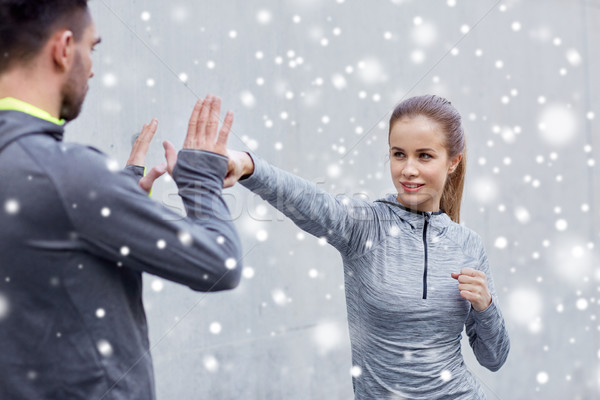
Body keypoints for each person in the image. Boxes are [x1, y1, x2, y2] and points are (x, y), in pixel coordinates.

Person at [0, 1, 242, 399]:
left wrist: (116, 200)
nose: (92, 67)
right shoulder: (69, 175)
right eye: (91, 48)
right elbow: (219, 263)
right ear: (63, 49)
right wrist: (200, 179)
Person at [225, 95, 510, 399]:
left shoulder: (468, 245)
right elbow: (312, 201)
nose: (408, 169)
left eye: (424, 156)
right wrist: (248, 166)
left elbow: (493, 359)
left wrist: (486, 306)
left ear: (453, 161)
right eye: (399, 154)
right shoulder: (365, 226)